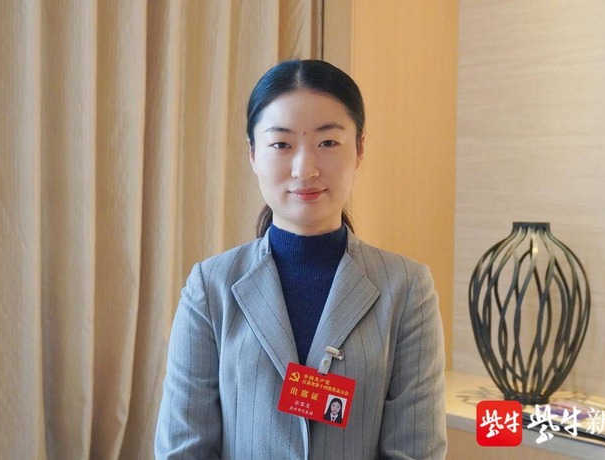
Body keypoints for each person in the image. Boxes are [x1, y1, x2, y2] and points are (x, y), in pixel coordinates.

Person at [155, 59, 447, 459]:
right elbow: (183, 448)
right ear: (253, 153)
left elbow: (416, 450)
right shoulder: (210, 286)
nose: (305, 169)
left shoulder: (407, 288)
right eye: (281, 144)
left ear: (359, 149)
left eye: (328, 143)